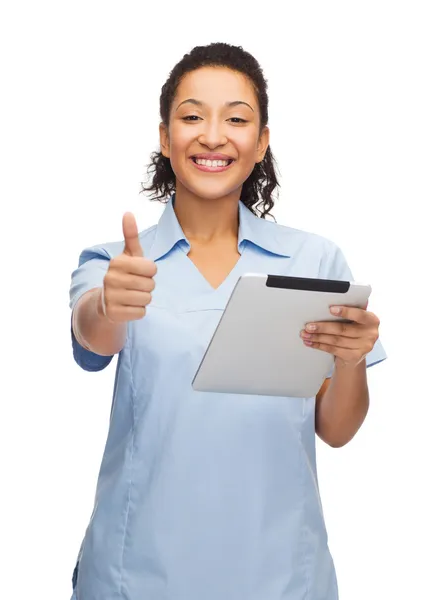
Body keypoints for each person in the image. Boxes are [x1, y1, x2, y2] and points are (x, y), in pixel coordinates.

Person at [69, 42, 387, 600]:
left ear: (261, 141)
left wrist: (351, 357)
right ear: (165, 138)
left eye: (236, 119)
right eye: (192, 117)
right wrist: (107, 305)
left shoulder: (315, 263)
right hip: (137, 575)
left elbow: (337, 429)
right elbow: (92, 332)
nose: (213, 136)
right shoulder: (116, 264)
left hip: (281, 576)